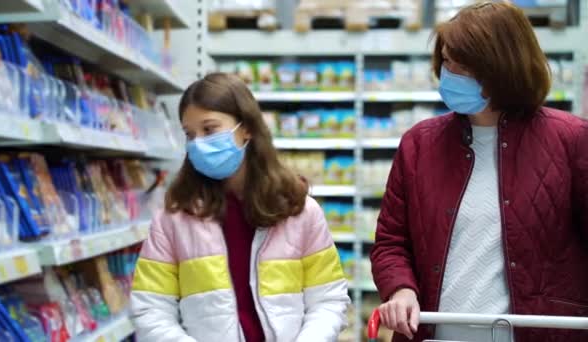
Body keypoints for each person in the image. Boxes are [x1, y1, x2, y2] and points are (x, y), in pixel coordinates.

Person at [370, 2, 588, 342]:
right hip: (435, 335)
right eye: (446, 61)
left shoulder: (572, 141)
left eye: (463, 64)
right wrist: (400, 290)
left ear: (503, 68)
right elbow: (391, 242)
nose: (449, 72)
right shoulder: (419, 144)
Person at [130, 73, 350, 342]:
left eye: (209, 129)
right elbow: (150, 309)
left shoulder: (300, 211)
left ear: (246, 128)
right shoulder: (174, 219)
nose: (198, 143)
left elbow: (328, 300)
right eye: (190, 134)